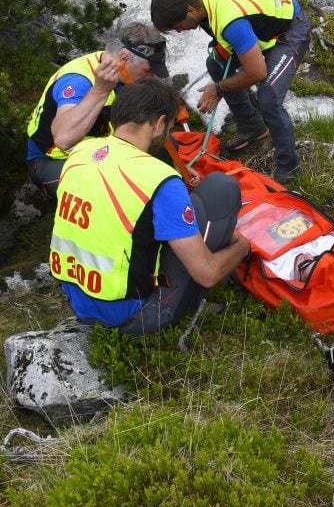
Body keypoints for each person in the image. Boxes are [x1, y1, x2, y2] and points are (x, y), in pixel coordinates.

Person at [49, 79, 251, 335]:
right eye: (169, 127)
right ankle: (182, 304)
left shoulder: (80, 152)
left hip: (79, 299)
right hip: (132, 314)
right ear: (158, 124)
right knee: (220, 189)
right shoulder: (158, 178)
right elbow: (207, 274)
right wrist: (242, 247)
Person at [150, 0, 311, 186]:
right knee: (214, 63)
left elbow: (257, 72)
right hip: (261, 22)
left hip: (290, 30)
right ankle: (252, 126)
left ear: (190, 10)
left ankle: (288, 170)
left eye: (177, 26)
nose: (179, 32)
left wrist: (218, 89)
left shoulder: (230, 22)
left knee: (269, 97)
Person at [26, 22, 169, 196]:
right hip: (52, 159)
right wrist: (100, 91)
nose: (151, 76)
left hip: (101, 152)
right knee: (108, 189)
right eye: (147, 70)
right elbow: (63, 139)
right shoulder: (78, 80)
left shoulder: (125, 73)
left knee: (164, 146)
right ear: (124, 59)